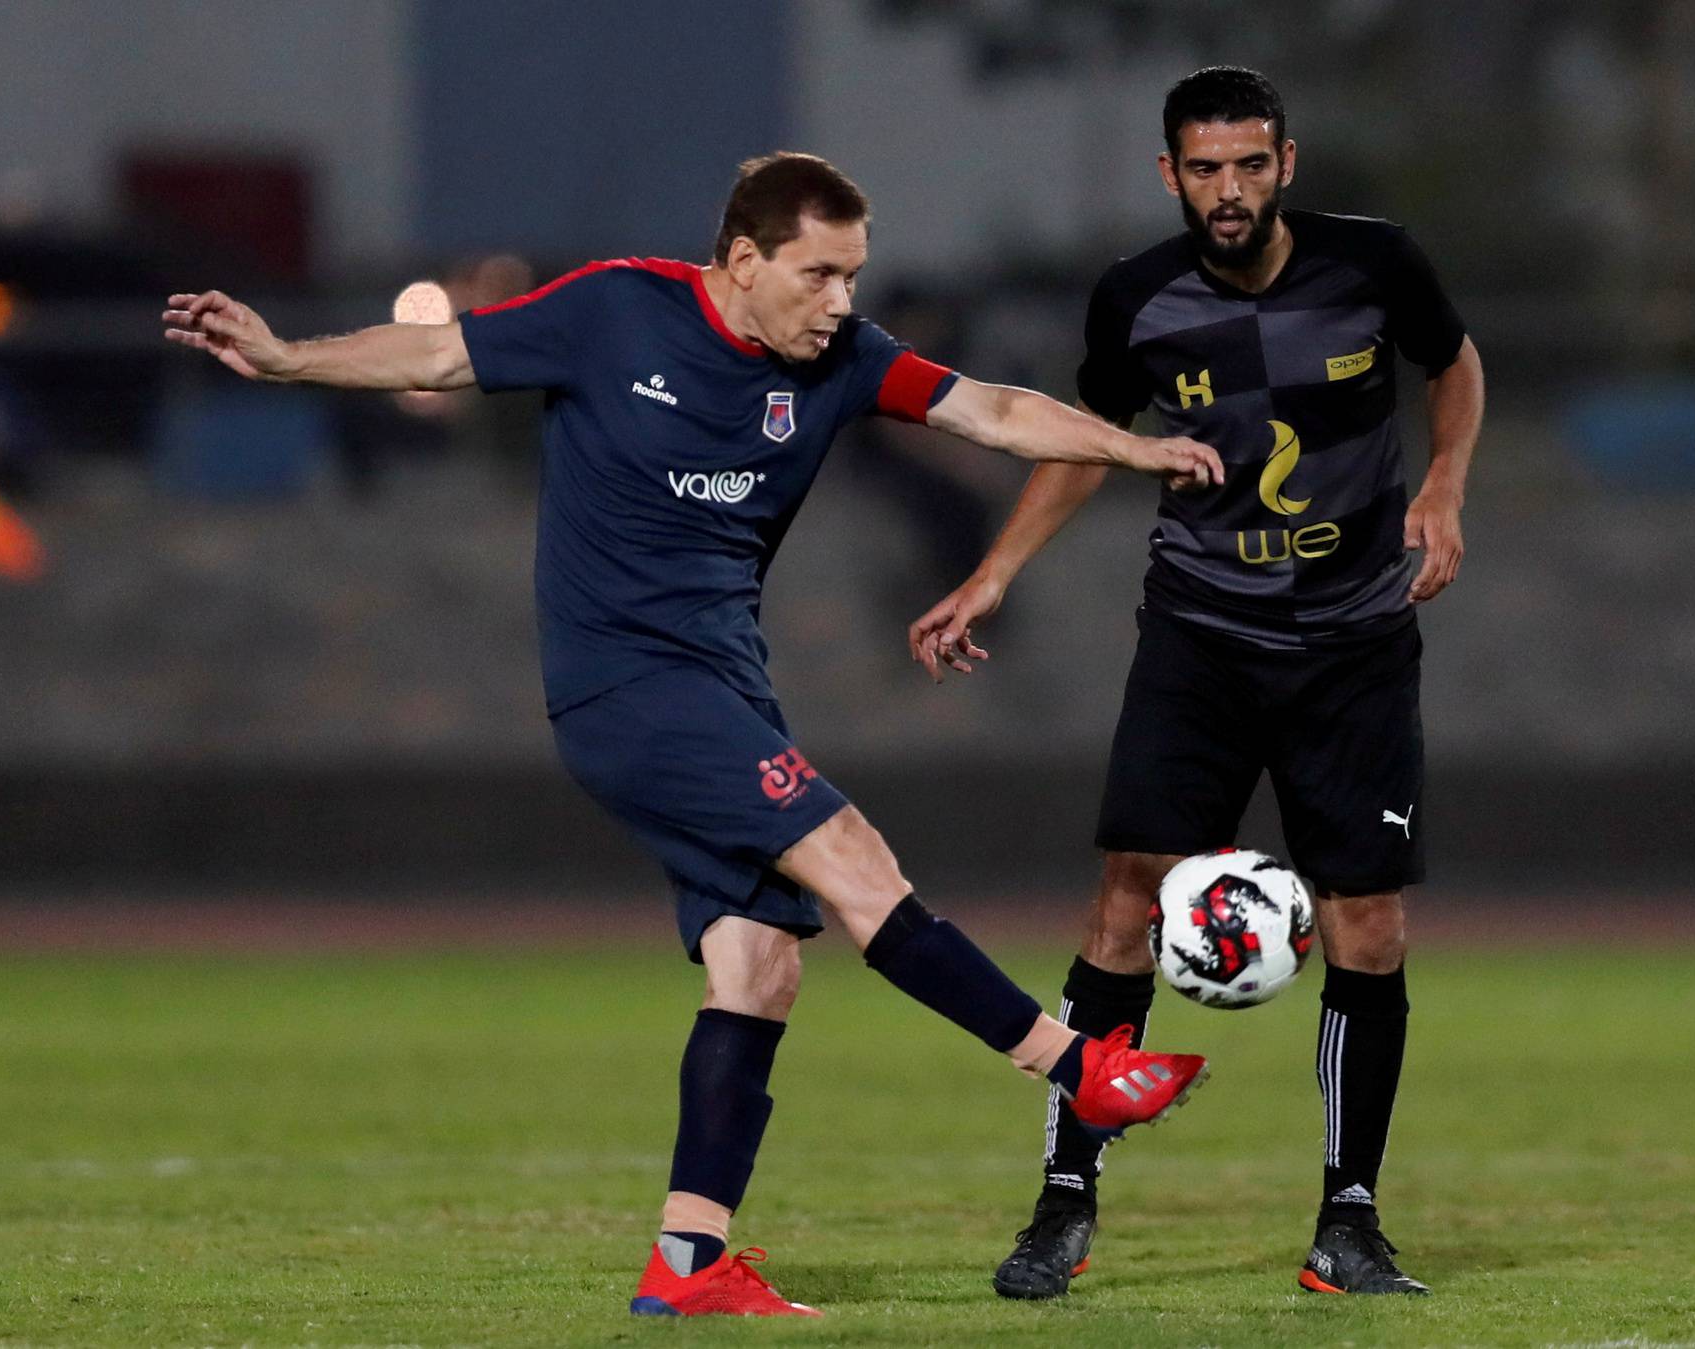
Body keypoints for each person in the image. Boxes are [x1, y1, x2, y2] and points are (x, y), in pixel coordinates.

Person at [163, 152, 1225, 1319]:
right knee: (852, 855)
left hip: (725, 686)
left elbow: (998, 412)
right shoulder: (616, 308)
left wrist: (1137, 450)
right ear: (742, 262)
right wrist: (283, 356)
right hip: (627, 687)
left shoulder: (845, 359)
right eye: (818, 275)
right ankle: (1081, 1065)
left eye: (853, 276)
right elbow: (435, 352)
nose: (841, 302)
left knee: (760, 964)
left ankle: (689, 1259)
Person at [909, 67, 1486, 1299]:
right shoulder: (1136, 298)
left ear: (1288, 162)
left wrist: (1441, 487)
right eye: (1205, 170)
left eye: (1250, 164)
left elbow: (1455, 363)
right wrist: (996, 570)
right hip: (1202, 639)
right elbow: (1083, 441)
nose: (1230, 190)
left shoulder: (1374, 264)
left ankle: (1352, 1219)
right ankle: (1064, 1200)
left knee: (1369, 928)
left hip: (1354, 643)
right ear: (1170, 175)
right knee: (1124, 902)